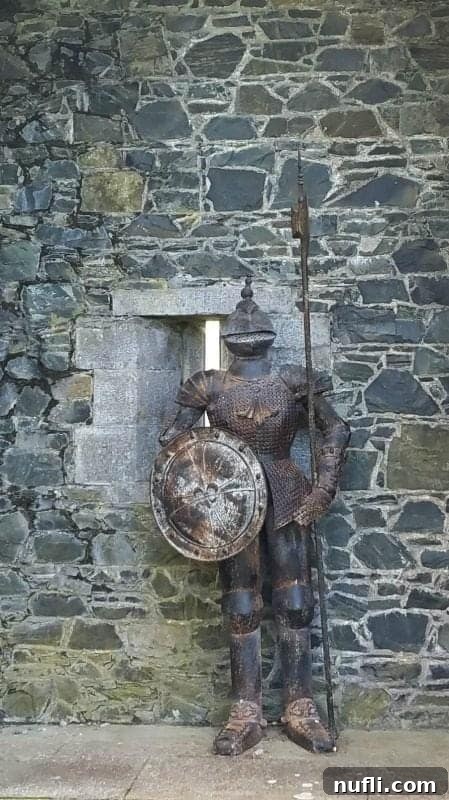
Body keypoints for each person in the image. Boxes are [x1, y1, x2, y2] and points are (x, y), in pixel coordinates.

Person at [159, 278, 350, 756]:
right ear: (229, 340)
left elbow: (336, 428)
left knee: (296, 598)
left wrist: (324, 487)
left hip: (286, 487)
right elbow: (176, 447)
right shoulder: (208, 385)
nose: (247, 339)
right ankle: (245, 710)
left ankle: (300, 707)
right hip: (231, 499)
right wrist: (192, 492)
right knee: (241, 601)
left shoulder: (291, 381)